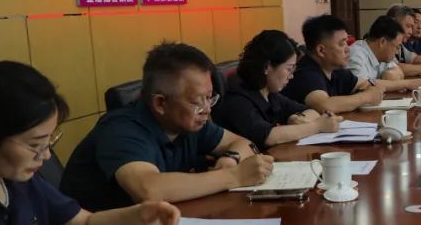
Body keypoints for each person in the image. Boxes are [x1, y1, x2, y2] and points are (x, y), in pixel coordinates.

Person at [0, 62, 181, 225]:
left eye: (49, 141)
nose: (46, 156)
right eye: (35, 145)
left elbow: (83, 224)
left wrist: (137, 215)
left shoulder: (21, 182)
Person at [61, 43, 273, 211]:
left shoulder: (189, 121)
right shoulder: (121, 130)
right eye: (198, 101)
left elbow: (242, 143)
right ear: (160, 103)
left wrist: (229, 159)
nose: (207, 109)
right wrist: (234, 176)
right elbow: (149, 190)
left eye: (210, 98)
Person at [213, 30, 343, 149]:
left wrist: (297, 118)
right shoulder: (238, 99)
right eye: (289, 69)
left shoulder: (269, 94)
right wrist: (317, 126)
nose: (291, 76)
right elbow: (269, 137)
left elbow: (312, 111)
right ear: (267, 67)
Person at [281, 14, 384, 114]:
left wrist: (369, 89)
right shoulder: (306, 73)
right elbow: (325, 106)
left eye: (347, 43)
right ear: (321, 50)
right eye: (342, 44)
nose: (348, 49)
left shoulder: (335, 69)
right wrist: (366, 97)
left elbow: (364, 84)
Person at [348, 16, 421, 92]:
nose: (397, 52)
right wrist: (406, 84)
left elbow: (398, 71)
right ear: (383, 42)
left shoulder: (381, 55)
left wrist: (389, 76)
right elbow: (363, 86)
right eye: (397, 47)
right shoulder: (356, 55)